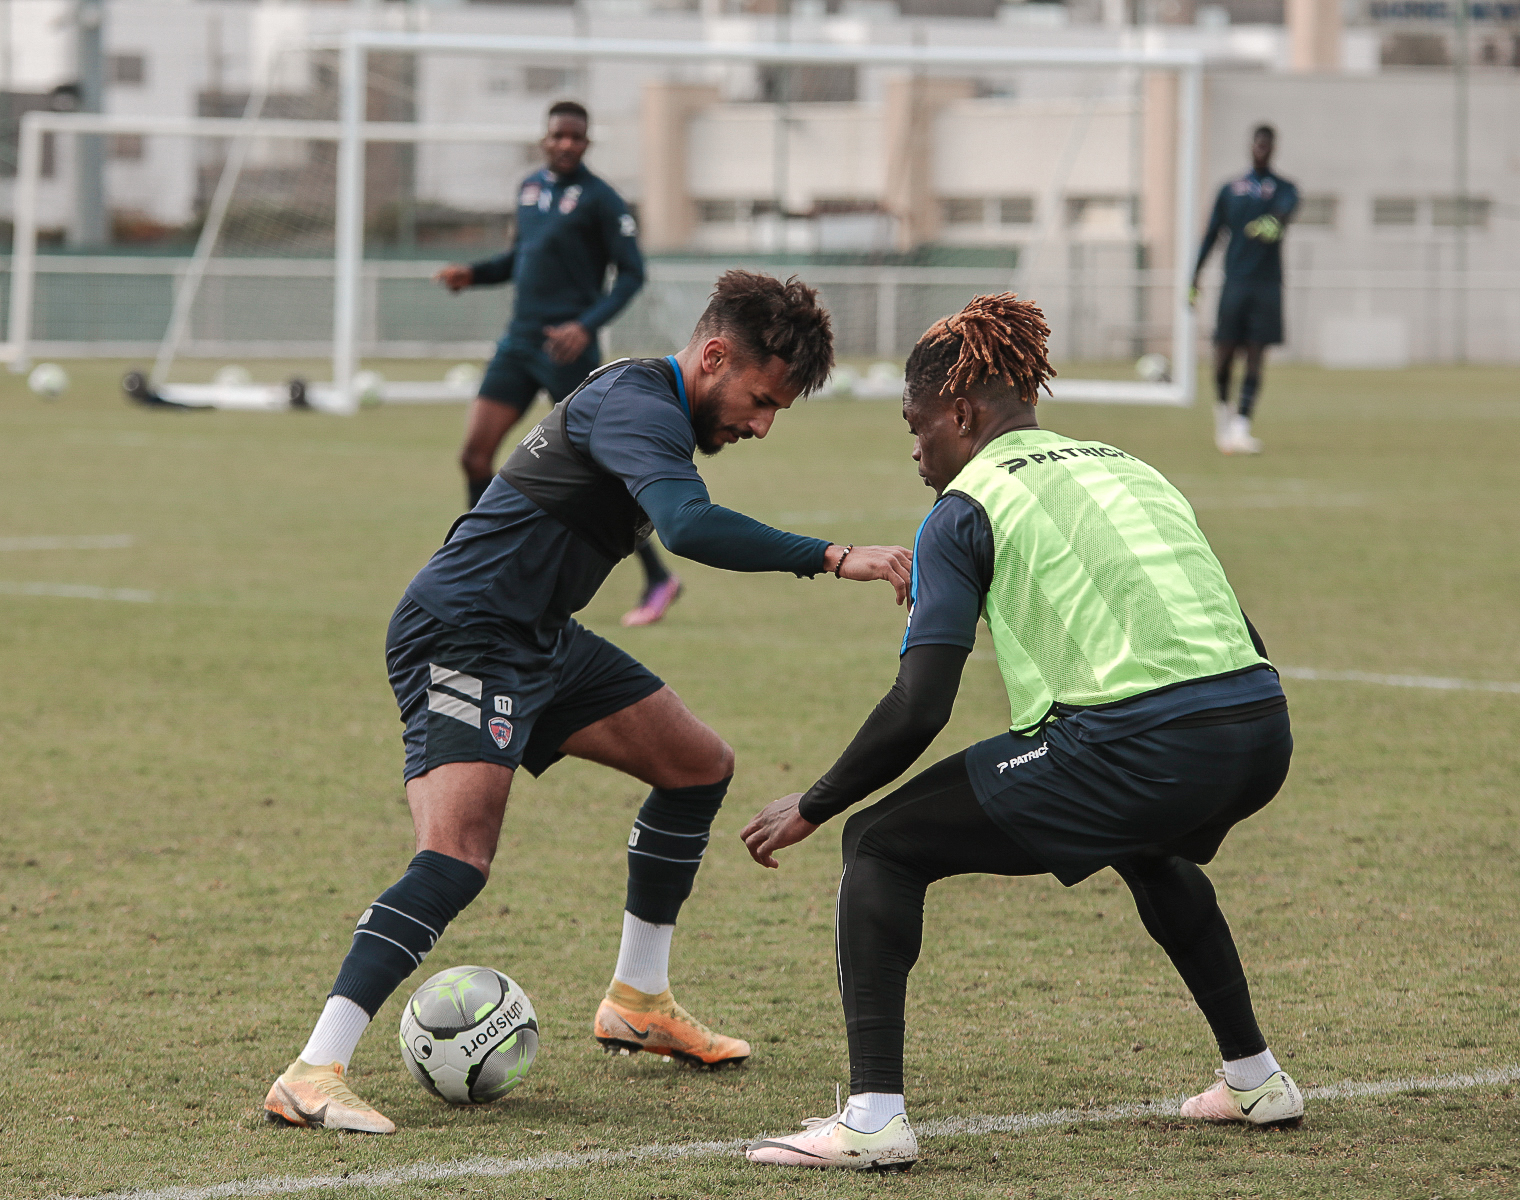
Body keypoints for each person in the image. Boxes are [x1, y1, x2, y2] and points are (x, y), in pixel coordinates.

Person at [264, 271, 913, 1134]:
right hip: (465, 633)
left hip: (538, 635)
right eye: (759, 400)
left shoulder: (659, 408)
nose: (759, 425)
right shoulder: (639, 404)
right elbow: (686, 528)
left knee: (695, 766)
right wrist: (833, 556)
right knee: (456, 856)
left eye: (775, 413)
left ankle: (639, 1000)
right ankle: (314, 1068)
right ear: (714, 355)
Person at [740, 294, 1303, 1173]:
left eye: (917, 424)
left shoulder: (966, 508)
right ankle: (1257, 1080)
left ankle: (873, 1119)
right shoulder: (1129, 465)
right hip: (1260, 726)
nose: (915, 449)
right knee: (1149, 845)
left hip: (1140, 743)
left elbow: (920, 704)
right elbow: (1237, 631)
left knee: (880, 843)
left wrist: (813, 804)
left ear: (961, 413)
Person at [435, 99, 682, 628]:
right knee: (475, 457)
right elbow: (518, 261)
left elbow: (633, 274)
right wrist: (472, 276)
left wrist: (584, 325)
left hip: (568, 351)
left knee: (606, 476)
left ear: (587, 142)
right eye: (558, 136)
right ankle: (483, 566)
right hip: (518, 344)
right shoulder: (528, 189)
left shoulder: (602, 200)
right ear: (545, 139)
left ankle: (659, 577)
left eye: (576, 137)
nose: (566, 144)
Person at [1191, 124, 1299, 456]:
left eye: (1267, 145)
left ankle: (1242, 427)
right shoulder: (1230, 190)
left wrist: (1275, 223)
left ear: (1274, 148)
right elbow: (1212, 234)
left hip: (1266, 286)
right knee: (1223, 355)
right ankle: (1222, 416)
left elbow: (1286, 212)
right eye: (1257, 144)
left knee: (1255, 356)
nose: (1261, 149)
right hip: (1234, 283)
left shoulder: (1285, 188)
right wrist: (1194, 277)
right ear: (1250, 146)